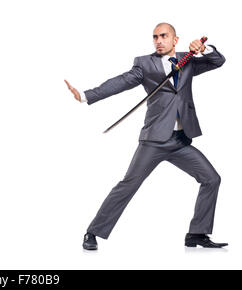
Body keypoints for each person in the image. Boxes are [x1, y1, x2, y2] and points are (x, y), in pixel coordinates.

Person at [65, 23, 227, 250]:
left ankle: (197, 234)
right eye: (155, 37)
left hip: (181, 141)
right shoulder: (145, 63)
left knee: (211, 179)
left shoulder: (188, 60)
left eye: (164, 36)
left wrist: (204, 48)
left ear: (175, 39)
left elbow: (217, 61)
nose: (158, 41)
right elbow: (120, 82)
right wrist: (85, 95)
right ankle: (92, 232)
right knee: (128, 185)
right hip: (154, 141)